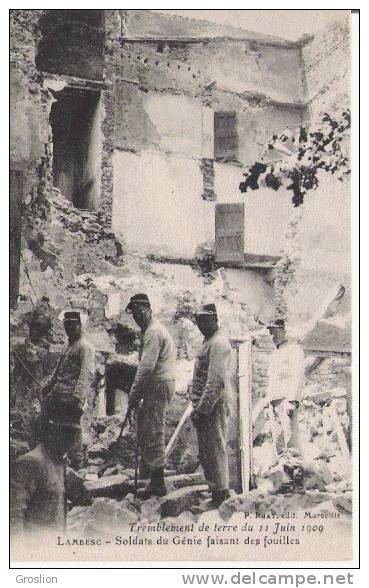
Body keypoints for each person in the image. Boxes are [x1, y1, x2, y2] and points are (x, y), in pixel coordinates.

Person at [125, 294, 176, 498]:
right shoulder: (149, 330)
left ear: (148, 309)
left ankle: (158, 482)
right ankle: (152, 476)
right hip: (158, 384)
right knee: (147, 428)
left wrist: (133, 395)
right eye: (134, 313)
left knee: (154, 430)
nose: (137, 316)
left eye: (140, 311)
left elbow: (146, 368)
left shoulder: (153, 332)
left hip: (159, 384)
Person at [11, 397, 84, 535]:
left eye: (73, 434)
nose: (70, 440)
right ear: (51, 431)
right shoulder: (30, 462)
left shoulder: (59, 464)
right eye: (65, 433)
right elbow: (14, 517)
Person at [42, 309, 95, 470]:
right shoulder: (67, 346)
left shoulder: (85, 347)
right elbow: (58, 371)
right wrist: (48, 387)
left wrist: (78, 398)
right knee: (58, 426)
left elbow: (86, 374)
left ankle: (77, 462)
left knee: (73, 428)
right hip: (59, 395)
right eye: (67, 325)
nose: (69, 328)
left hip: (72, 397)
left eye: (73, 325)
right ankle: (60, 461)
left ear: (80, 326)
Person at [191, 303, 232, 507]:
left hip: (213, 405)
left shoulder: (219, 343)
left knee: (215, 448)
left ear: (214, 319)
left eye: (204, 321)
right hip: (203, 405)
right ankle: (215, 489)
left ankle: (221, 494)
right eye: (198, 321)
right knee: (207, 450)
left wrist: (203, 409)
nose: (200, 325)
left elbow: (216, 381)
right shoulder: (208, 342)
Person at [265, 319, 305, 485]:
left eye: (274, 331)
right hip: (274, 401)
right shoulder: (276, 352)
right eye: (270, 332)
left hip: (286, 401)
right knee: (279, 441)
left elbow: (298, 375)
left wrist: (293, 399)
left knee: (291, 441)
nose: (272, 335)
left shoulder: (294, 350)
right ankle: (285, 480)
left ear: (283, 330)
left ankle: (297, 480)